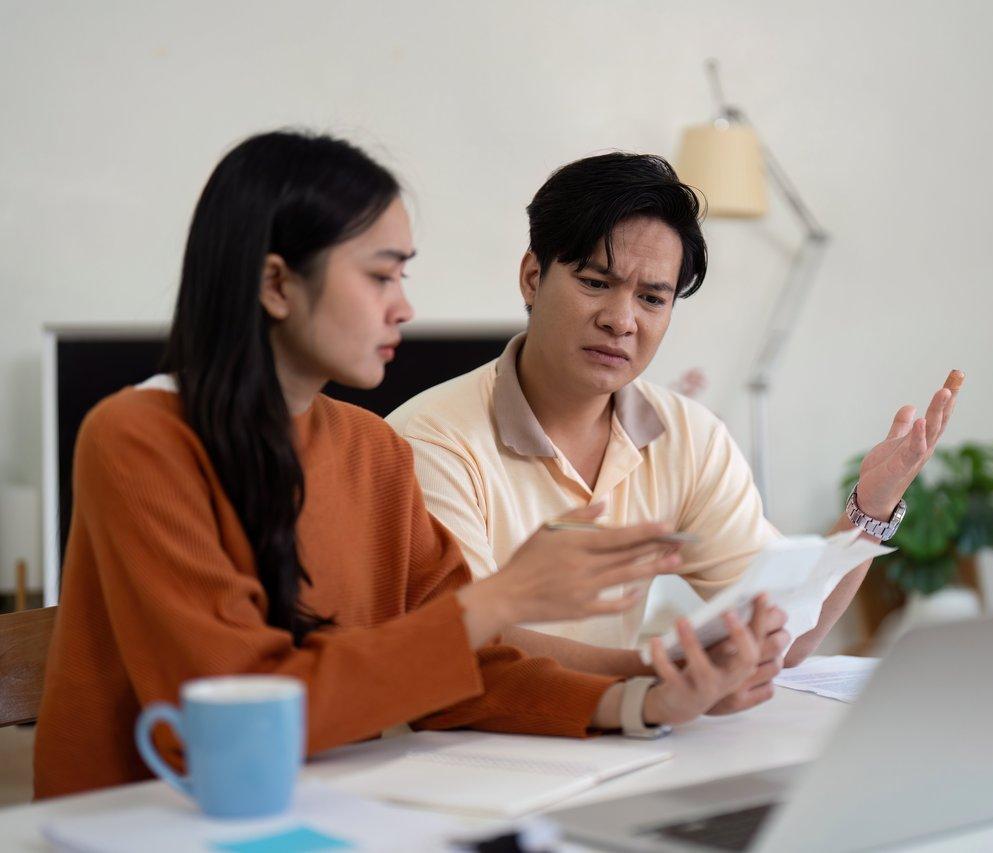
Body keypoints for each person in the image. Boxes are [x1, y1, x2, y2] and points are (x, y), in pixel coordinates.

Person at [34, 132, 767, 799]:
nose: (404, 308)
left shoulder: (370, 450)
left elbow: (456, 673)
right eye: (380, 277)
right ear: (278, 284)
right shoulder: (139, 437)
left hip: (328, 810)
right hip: (149, 822)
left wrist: (645, 699)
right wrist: (505, 596)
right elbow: (239, 711)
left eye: (403, 277)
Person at [387, 153, 960, 713]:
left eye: (652, 298)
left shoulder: (690, 436)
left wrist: (871, 508)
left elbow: (785, 635)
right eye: (595, 282)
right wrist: (657, 679)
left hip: (617, 742)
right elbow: (466, 645)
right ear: (533, 277)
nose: (621, 320)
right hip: (458, 753)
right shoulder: (431, 441)